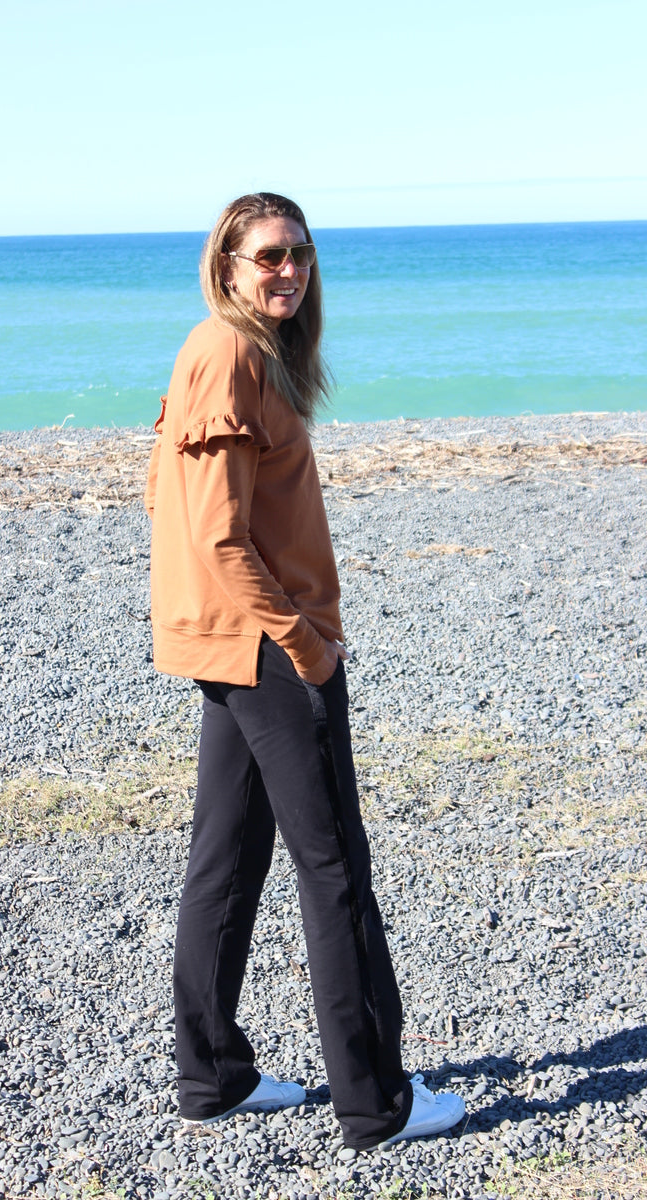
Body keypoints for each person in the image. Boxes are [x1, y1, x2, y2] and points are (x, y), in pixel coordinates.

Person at [144, 192, 465, 1151]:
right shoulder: (230, 354)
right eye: (269, 256)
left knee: (228, 860)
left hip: (230, 643)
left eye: (302, 254)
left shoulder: (236, 353)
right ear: (228, 266)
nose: (290, 270)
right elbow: (216, 533)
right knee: (334, 872)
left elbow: (163, 489)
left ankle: (213, 1078)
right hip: (268, 649)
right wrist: (306, 644)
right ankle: (377, 1103)